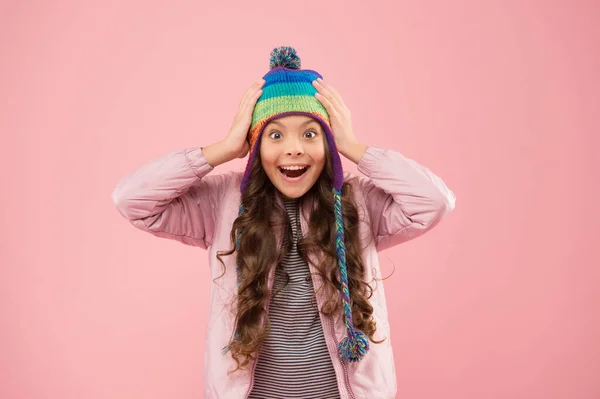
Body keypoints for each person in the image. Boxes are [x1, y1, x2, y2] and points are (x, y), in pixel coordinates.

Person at [111, 46, 456, 399]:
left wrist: (353, 147)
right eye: (275, 135)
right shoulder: (224, 202)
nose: (293, 148)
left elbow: (433, 201)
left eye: (310, 134)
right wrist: (225, 147)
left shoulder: (358, 202)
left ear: (328, 140)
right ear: (256, 143)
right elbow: (132, 199)